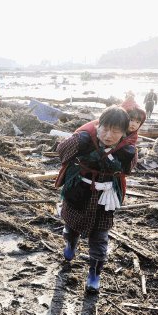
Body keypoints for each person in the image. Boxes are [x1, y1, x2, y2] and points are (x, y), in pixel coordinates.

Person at [55, 106, 137, 293]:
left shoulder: (128, 149)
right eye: (105, 129)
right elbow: (61, 151)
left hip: (105, 198)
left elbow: (128, 170)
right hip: (79, 191)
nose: (109, 135)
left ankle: (94, 275)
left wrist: (120, 160)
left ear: (124, 132)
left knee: (100, 238)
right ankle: (70, 244)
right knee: (71, 225)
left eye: (116, 131)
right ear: (98, 126)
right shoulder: (83, 138)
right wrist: (80, 146)